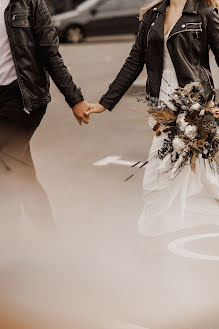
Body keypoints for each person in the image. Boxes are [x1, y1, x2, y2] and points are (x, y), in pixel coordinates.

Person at [87, 0, 219, 235]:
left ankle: (150, 234)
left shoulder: (204, 12)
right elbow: (134, 61)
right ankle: (162, 230)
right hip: (163, 108)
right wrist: (105, 102)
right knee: (200, 173)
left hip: (194, 109)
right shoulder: (153, 15)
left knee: (159, 178)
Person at [0, 0, 90, 232]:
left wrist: (75, 99)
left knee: (6, 167)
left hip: (21, 98)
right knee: (20, 169)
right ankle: (45, 239)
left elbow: (50, 53)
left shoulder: (29, 3)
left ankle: (13, 243)